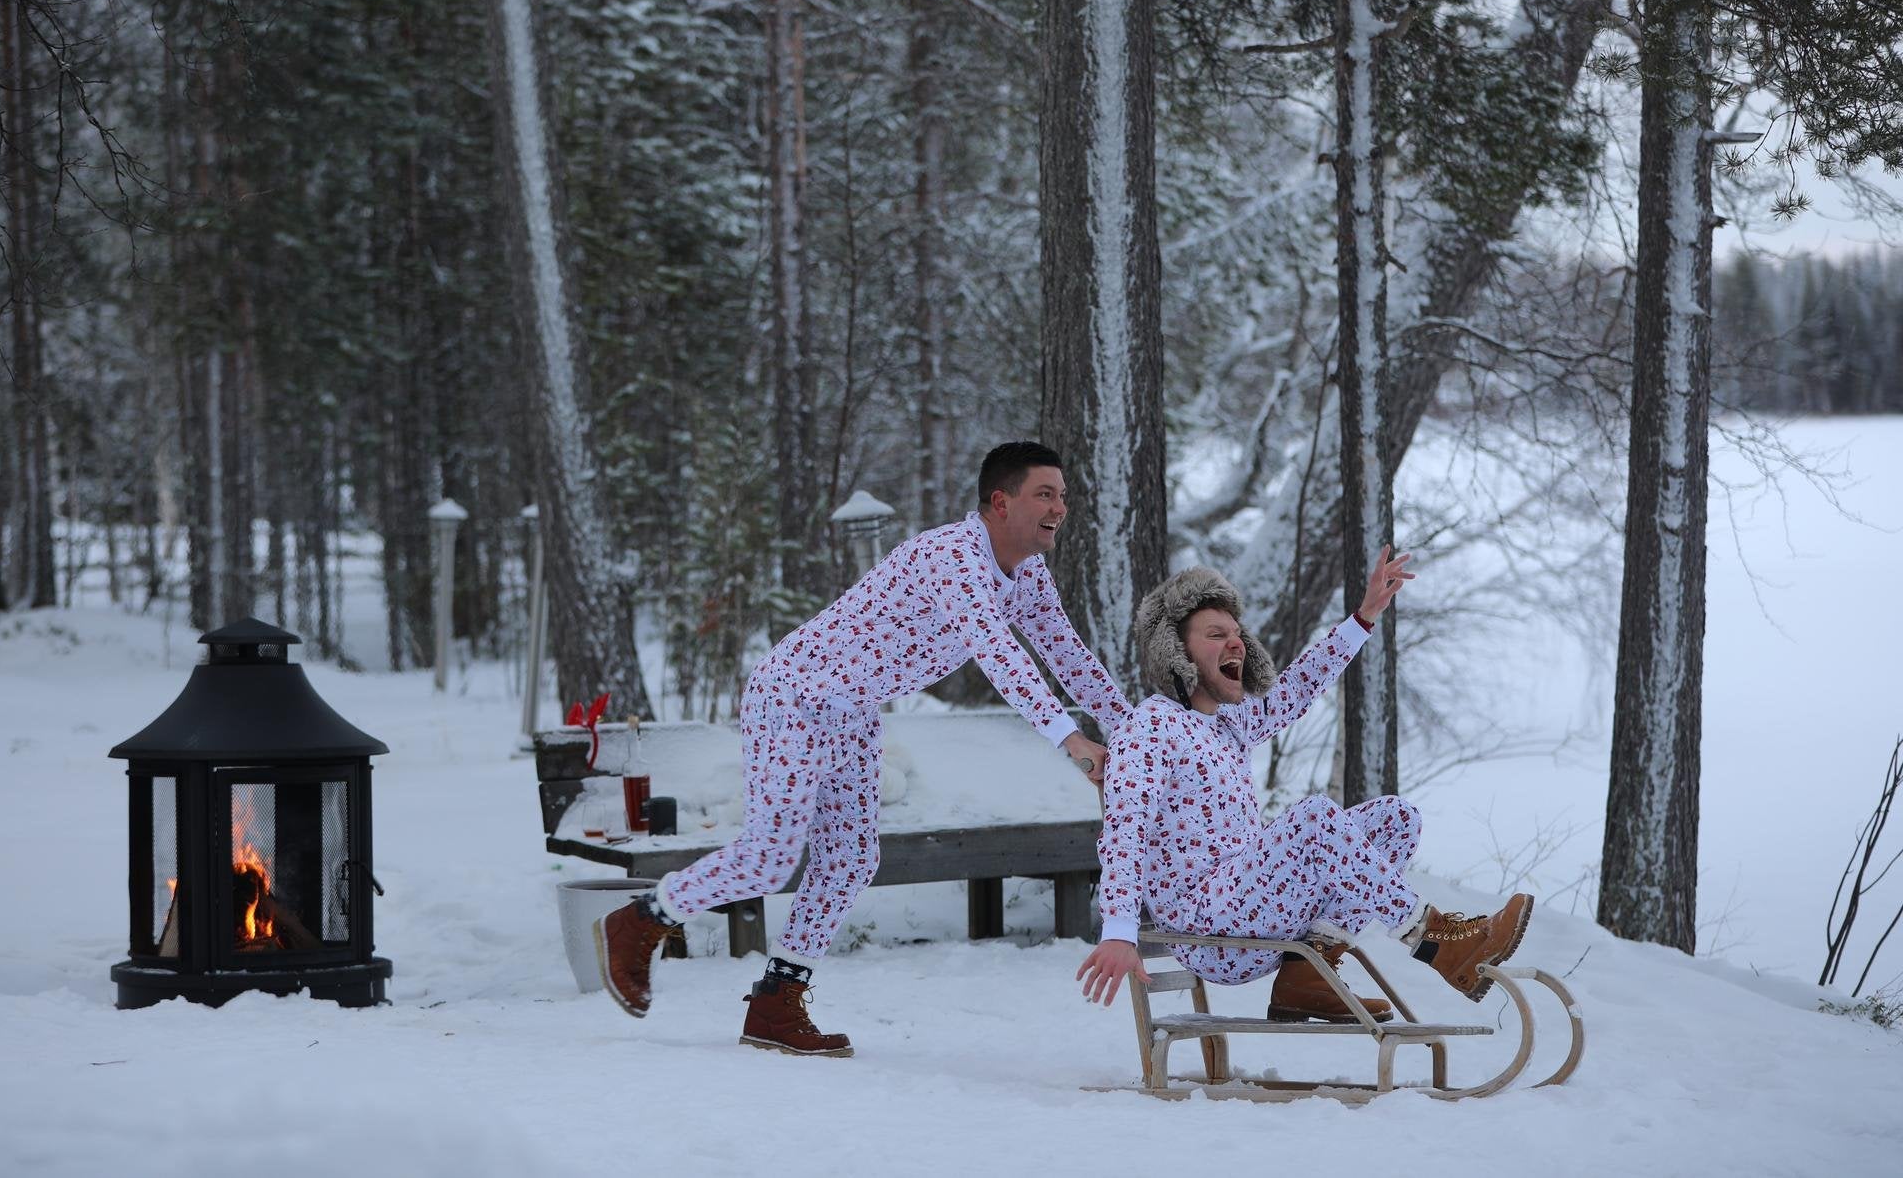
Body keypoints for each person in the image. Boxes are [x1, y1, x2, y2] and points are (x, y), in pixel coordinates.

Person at [599, 442, 1132, 1056]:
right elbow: (1001, 657)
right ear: (1000, 502)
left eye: (1063, 495)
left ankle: (777, 1001)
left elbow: (1069, 658)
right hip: (794, 697)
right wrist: (1073, 742)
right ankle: (643, 919)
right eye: (1046, 493)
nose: (1060, 507)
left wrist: (1132, 733)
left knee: (851, 857)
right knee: (771, 856)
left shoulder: (1028, 576)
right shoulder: (953, 557)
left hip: (852, 712)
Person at [1074, 550, 1533, 1022]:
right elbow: (1123, 831)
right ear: (1177, 651)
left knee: (1395, 820)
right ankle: (1436, 940)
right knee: (1313, 818)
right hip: (1207, 928)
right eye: (1216, 635)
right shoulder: (1151, 727)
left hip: (1254, 907)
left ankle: (1306, 975)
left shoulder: (1228, 724)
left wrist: (1364, 616)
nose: (1236, 645)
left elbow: (1297, 688)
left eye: (1237, 634)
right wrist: (1118, 929)